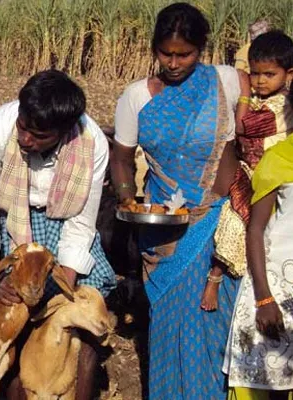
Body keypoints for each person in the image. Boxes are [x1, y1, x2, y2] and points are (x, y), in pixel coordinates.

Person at [111, 3, 245, 399]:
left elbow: (245, 139)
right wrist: (127, 200)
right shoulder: (136, 96)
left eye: (183, 54)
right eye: (165, 53)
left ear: (202, 49)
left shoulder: (227, 82)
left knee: (211, 323)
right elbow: (121, 158)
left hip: (217, 221)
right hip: (164, 228)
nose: (172, 63)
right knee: (169, 322)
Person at [0, 69, 116, 399]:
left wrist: (63, 287)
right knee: (9, 320)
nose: (26, 139)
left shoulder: (93, 144)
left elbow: (81, 226)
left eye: (39, 135)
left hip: (63, 226)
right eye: (23, 127)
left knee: (83, 323)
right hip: (8, 224)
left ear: (63, 131)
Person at [202, 31, 293, 311]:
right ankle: (214, 279)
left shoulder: (283, 105)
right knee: (233, 217)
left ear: (288, 74)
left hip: (274, 172)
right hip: (248, 169)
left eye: (269, 74)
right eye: (254, 74)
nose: (260, 81)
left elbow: (244, 127)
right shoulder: (256, 99)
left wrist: (242, 97)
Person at [223, 131, 293, 400]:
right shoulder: (278, 159)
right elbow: (255, 230)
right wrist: (264, 299)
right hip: (276, 289)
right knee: (270, 383)